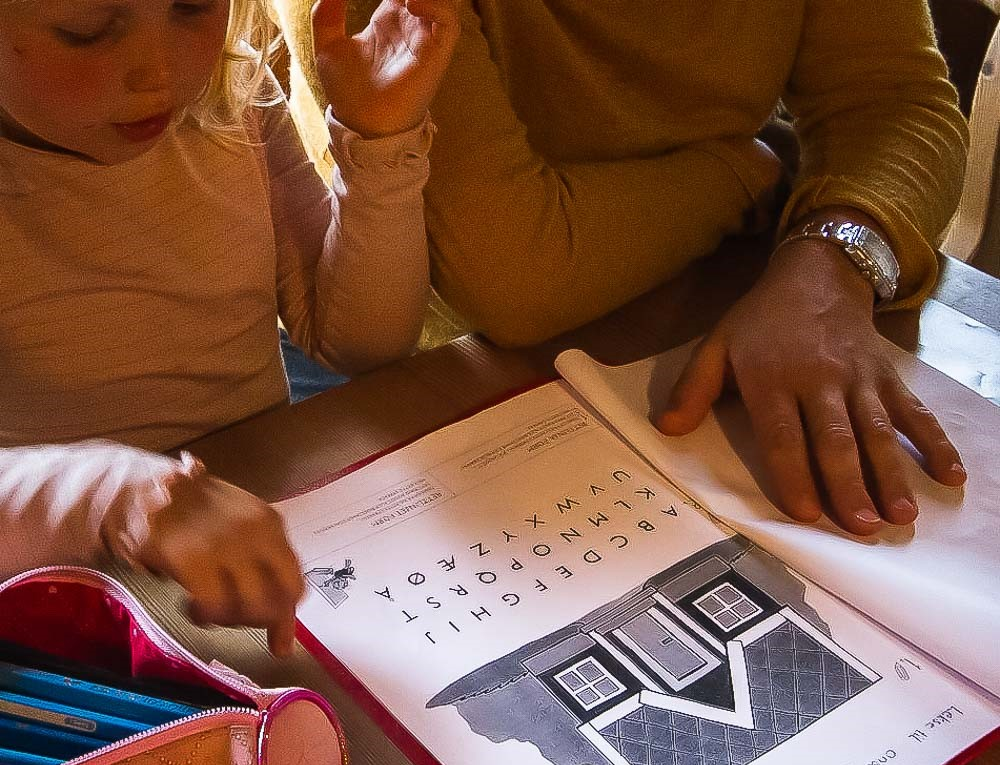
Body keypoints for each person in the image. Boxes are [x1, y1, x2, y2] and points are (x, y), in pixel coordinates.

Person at [289, 0, 970, 536]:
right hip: (430, 372)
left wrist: (831, 260)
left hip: (704, 295)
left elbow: (891, 98)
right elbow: (518, 279)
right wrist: (751, 173)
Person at [0, 0, 460, 655]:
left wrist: (379, 142)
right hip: (63, 612)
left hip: (265, 552)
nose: (158, 74)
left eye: (193, 7)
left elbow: (358, 343)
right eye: (87, 30)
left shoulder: (233, 90)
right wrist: (115, 495)